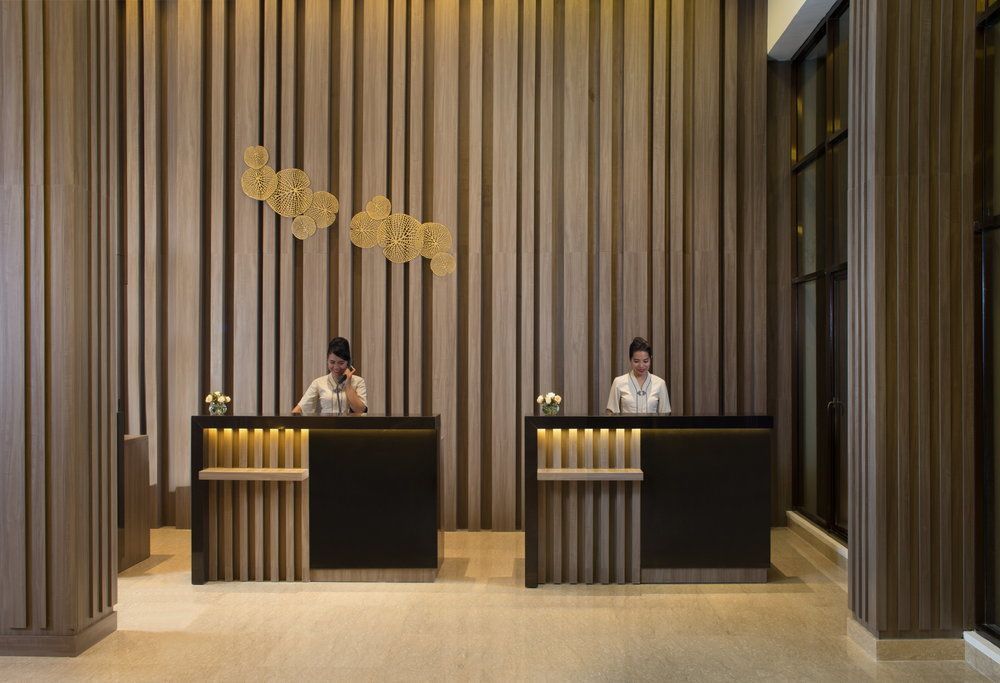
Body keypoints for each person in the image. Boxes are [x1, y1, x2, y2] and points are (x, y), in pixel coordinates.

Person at [292, 337, 368, 415]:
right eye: (332, 362)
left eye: (341, 363)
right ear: (327, 361)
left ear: (348, 363)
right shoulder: (318, 382)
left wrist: (348, 385)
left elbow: (360, 410)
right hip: (326, 423)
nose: (336, 367)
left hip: (350, 423)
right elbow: (300, 409)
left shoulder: (358, 382)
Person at [605, 337, 671, 415]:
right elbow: (611, 413)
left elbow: (665, 415)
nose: (641, 366)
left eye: (645, 361)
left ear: (650, 359)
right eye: (636, 361)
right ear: (630, 360)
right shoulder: (618, 382)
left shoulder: (660, 383)